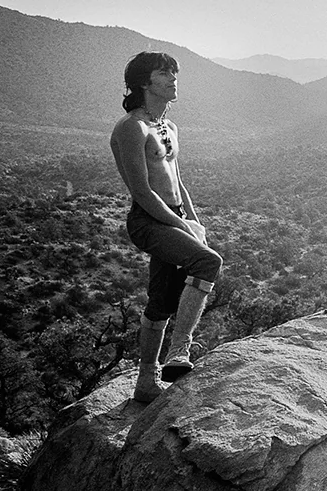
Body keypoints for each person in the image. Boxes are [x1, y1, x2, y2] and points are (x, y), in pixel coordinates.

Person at [110, 51, 223, 402]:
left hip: (174, 216)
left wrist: (195, 221)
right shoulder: (131, 128)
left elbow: (178, 181)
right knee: (208, 262)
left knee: (161, 301)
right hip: (148, 220)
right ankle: (179, 352)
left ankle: (146, 383)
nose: (173, 79)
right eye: (164, 73)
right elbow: (142, 191)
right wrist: (182, 226)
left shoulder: (169, 127)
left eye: (174, 73)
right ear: (144, 82)